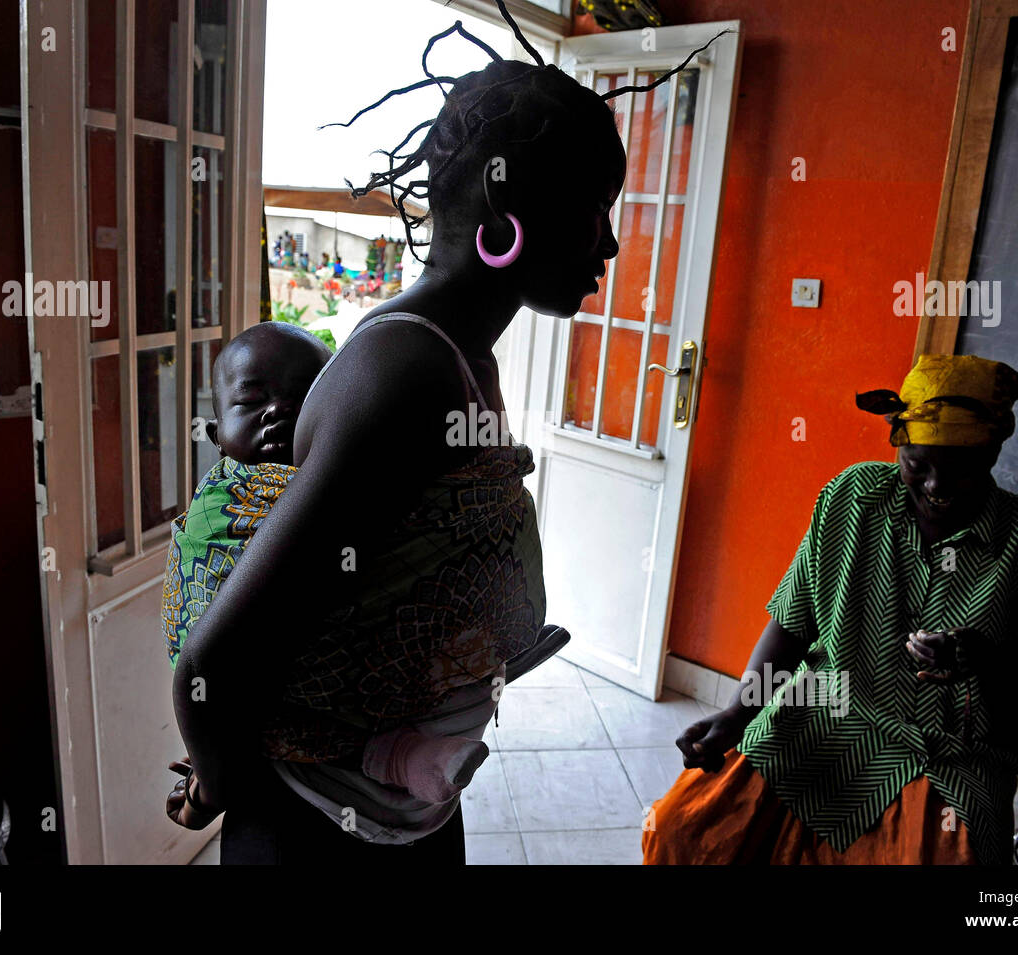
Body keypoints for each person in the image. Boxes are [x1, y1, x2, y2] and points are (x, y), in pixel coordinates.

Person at [167, 5, 700, 865]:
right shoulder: (403, 374)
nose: (607, 241)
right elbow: (215, 661)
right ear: (506, 205)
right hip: (315, 828)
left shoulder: (457, 356)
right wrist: (221, 785)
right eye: (594, 207)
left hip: (396, 805)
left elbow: (402, 581)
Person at [644, 354, 1018, 866]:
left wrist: (979, 659)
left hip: (950, 756)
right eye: (918, 464)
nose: (937, 487)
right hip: (822, 714)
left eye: (962, 470)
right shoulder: (851, 499)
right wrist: (738, 713)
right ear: (897, 444)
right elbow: (792, 620)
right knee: (685, 833)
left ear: (993, 454)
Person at [162, 322, 511, 817]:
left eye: (303, 395)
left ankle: (410, 757)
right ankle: (406, 758)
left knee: (356, 727)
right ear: (217, 436)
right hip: (249, 739)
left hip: (332, 716)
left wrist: (209, 784)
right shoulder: (219, 502)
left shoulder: (348, 484)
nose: (280, 409)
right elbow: (207, 636)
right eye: (252, 400)